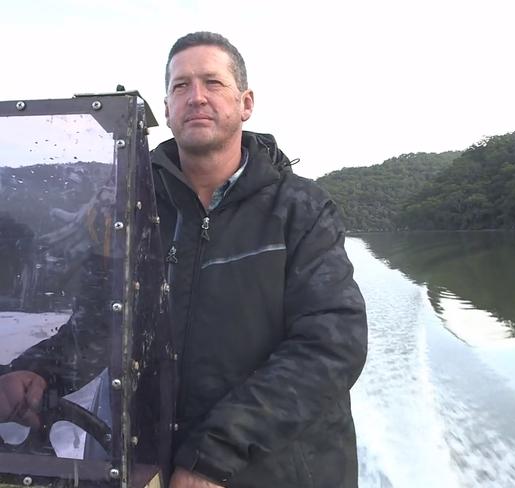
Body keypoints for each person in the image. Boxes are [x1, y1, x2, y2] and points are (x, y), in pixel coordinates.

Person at [1, 31, 368, 488]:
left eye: (212, 83)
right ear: (167, 110)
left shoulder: (301, 210)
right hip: (154, 463)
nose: (196, 97)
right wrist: (39, 368)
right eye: (180, 86)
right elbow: (102, 322)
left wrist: (214, 454)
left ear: (245, 102)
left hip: (273, 468)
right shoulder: (131, 211)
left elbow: (331, 345)